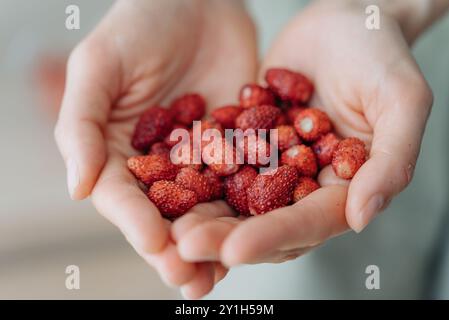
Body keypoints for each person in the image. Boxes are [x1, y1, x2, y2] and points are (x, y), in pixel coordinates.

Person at [54, 0, 449, 299]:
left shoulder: (281, 143)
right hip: (264, 28)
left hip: (357, 58)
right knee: (295, 279)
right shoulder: (232, 151)